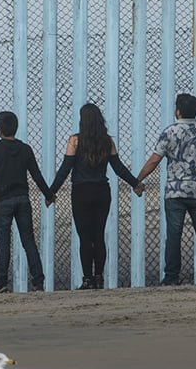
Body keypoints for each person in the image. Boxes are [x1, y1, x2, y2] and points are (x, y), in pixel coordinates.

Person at [133, 93, 196, 286]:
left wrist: (138, 180)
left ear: (178, 111)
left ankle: (172, 276)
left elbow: (155, 160)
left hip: (175, 192)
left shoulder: (169, 132)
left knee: (174, 234)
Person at [45, 103, 144, 290]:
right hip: (101, 191)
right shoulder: (107, 142)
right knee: (98, 235)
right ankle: (99, 277)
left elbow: (65, 169)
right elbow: (118, 167)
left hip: (81, 192)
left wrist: (51, 193)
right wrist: (135, 184)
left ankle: (87, 279)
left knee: (85, 237)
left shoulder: (74, 141)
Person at [0, 111, 52, 294]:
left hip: (2, 201)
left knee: (3, 242)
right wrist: (48, 195)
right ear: (16, 128)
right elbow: (36, 175)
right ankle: (38, 281)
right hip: (23, 199)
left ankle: (1, 283)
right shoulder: (25, 149)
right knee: (28, 240)